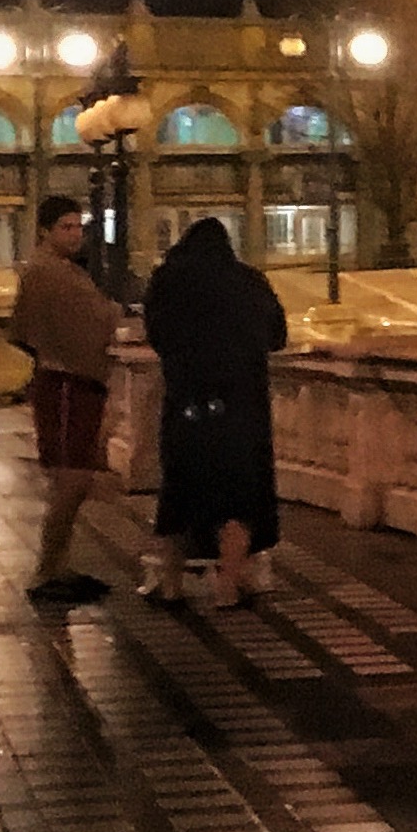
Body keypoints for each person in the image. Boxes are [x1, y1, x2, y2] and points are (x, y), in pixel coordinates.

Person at [141, 217, 287, 608]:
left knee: (179, 492)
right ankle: (226, 584)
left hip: (186, 405)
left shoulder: (167, 282)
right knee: (240, 497)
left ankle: (171, 585)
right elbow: (277, 336)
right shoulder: (249, 282)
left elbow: (155, 336)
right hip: (241, 408)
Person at [9, 199, 121, 603]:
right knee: (71, 480)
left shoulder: (60, 271)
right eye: (65, 227)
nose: (75, 234)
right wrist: (113, 314)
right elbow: (93, 319)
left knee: (74, 480)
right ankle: (45, 571)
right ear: (44, 231)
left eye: (78, 227)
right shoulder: (47, 272)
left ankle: (59, 564)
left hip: (69, 380)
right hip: (66, 384)